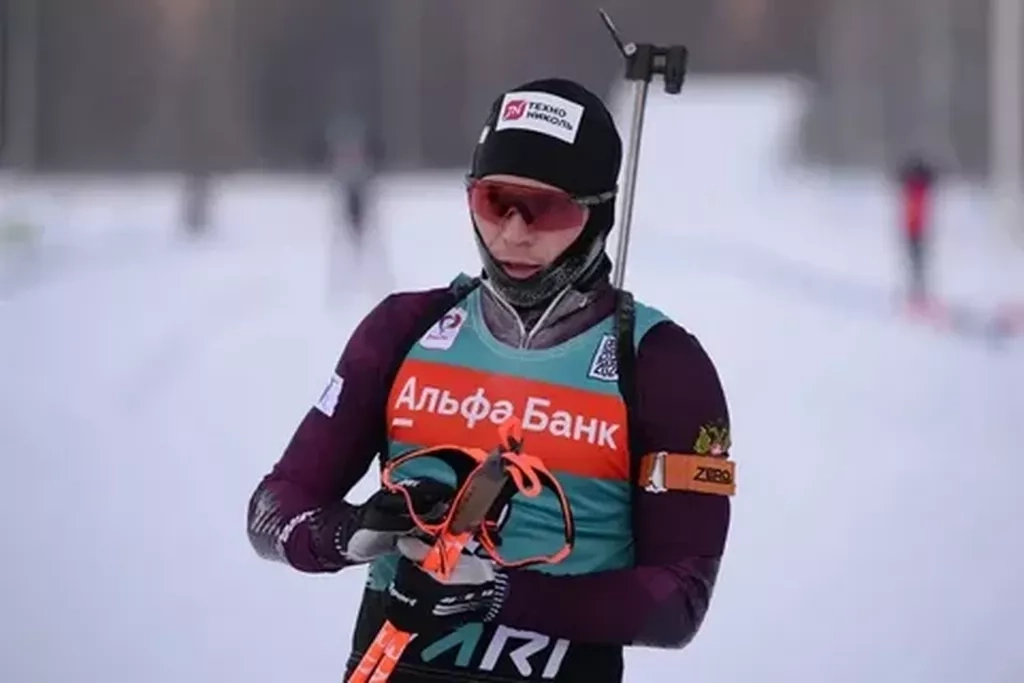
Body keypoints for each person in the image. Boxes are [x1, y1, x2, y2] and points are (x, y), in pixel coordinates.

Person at [247, 78, 736, 682]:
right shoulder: (403, 330)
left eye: (546, 209)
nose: (513, 233)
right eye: (493, 201)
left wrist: (500, 594)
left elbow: (680, 602)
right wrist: (348, 534)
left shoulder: (663, 365)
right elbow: (272, 508)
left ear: (599, 210)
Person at [896, 154, 937, 308]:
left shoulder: (918, 187)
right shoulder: (913, 187)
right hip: (913, 229)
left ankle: (919, 293)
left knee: (918, 263)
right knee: (916, 264)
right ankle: (916, 293)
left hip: (919, 229)